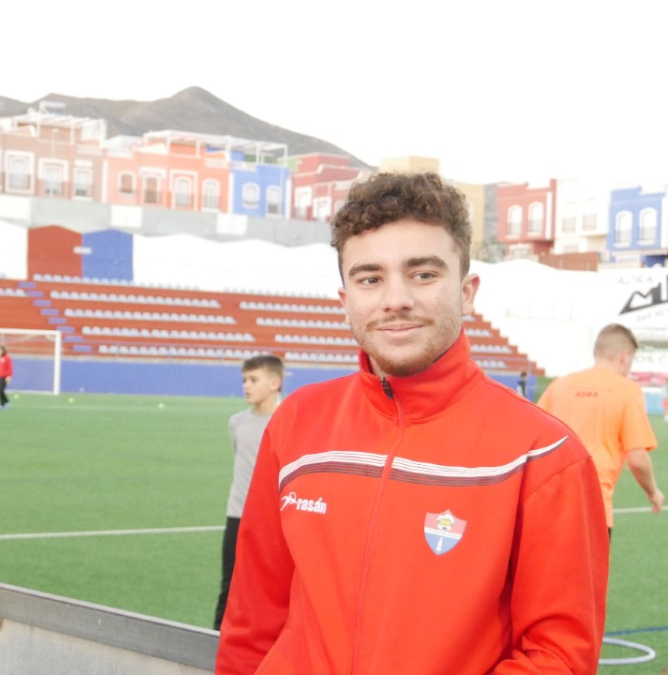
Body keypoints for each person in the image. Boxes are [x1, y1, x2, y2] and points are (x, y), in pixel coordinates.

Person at [215, 172, 609, 674]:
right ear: (346, 301)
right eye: (370, 278)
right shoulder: (297, 424)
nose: (395, 298)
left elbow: (559, 657)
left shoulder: (543, 453)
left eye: (423, 274)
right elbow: (252, 621)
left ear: (467, 292)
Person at [537, 324, 664, 535]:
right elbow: (637, 458)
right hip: (591, 506)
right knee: (587, 569)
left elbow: (532, 439)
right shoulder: (627, 390)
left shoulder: (559, 385)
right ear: (624, 356)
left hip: (545, 502)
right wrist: (653, 493)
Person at [214, 355, 284, 630]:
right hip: (238, 514)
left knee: (275, 587)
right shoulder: (236, 422)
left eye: (253, 380)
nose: (246, 385)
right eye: (244, 379)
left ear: (274, 383)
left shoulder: (287, 418)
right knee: (229, 583)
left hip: (276, 519)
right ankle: (215, 641)